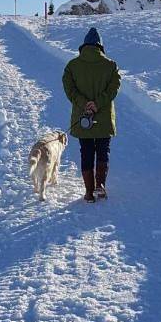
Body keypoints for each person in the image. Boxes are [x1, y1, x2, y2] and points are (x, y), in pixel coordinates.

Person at [62, 26, 121, 202]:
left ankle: (88, 193)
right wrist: (97, 103)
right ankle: (100, 186)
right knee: (103, 151)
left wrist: (84, 104)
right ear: (100, 46)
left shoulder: (72, 66)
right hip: (102, 117)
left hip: (83, 118)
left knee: (86, 151)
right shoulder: (110, 65)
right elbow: (114, 88)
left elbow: (69, 89)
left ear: (84, 46)